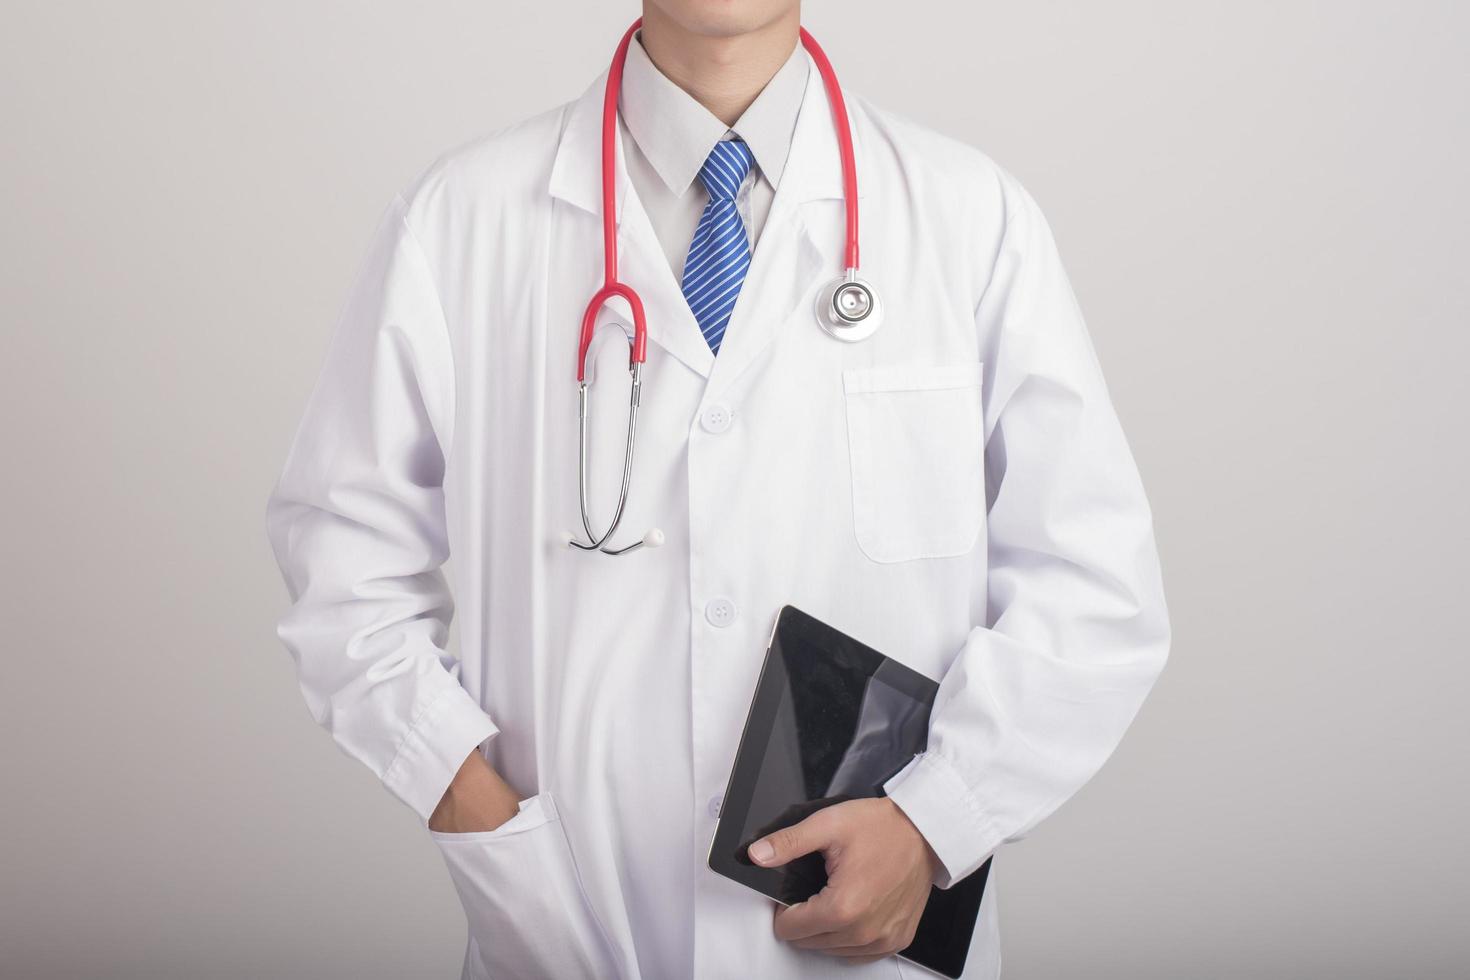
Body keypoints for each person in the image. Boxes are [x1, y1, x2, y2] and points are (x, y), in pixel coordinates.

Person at [264, 1, 1171, 977]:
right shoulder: (461, 217)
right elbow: (340, 547)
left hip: (868, 940)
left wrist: (938, 816)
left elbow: (1095, 587)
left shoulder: (970, 216)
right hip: (572, 920)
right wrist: (459, 786)